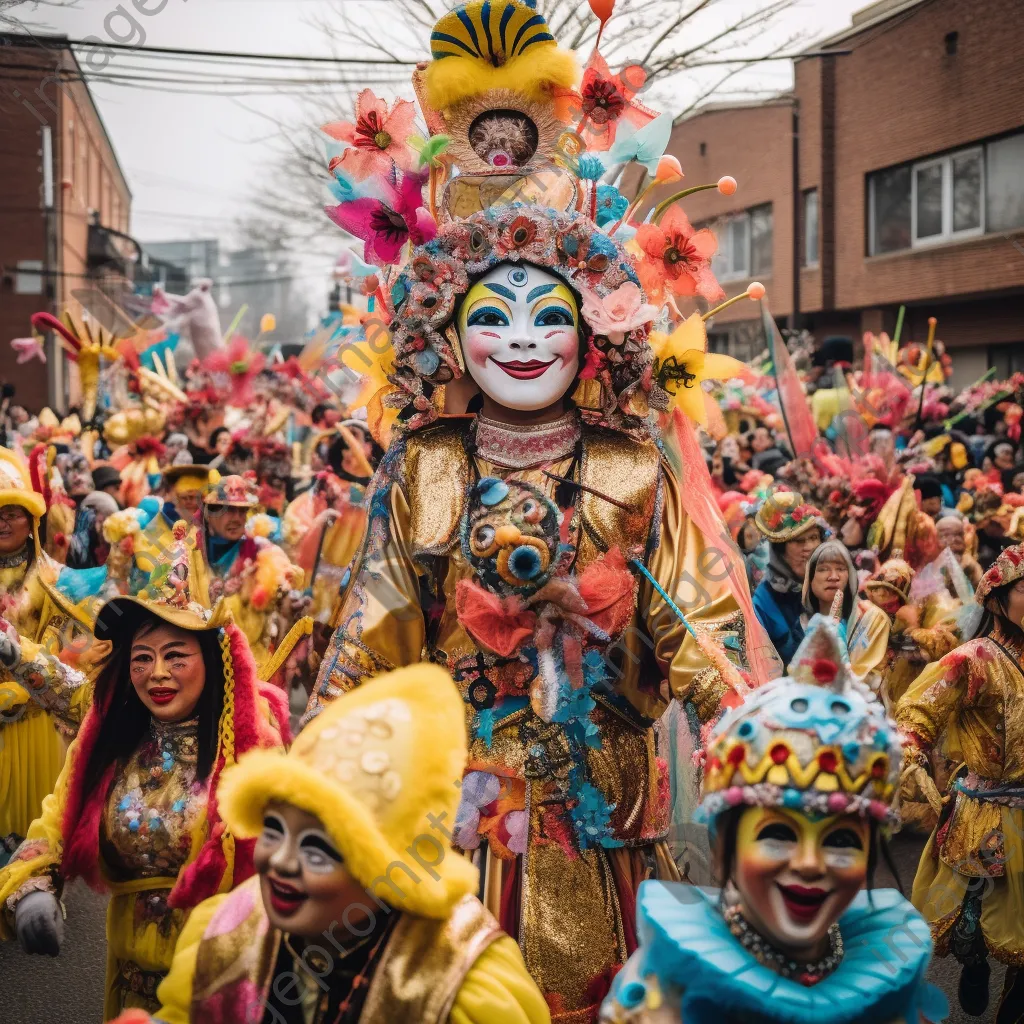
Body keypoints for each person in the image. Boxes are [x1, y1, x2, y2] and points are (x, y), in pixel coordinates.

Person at [304, 0, 760, 1013]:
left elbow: (702, 630)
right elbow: (369, 642)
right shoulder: (423, 470)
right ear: (450, 335)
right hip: (456, 813)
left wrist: (760, 732)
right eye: (491, 315)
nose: (520, 338)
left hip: (603, 820)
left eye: (549, 313)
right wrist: (319, 767)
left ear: (590, 333)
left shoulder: (632, 469)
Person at [110, 664, 550, 1024]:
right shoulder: (229, 929)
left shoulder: (461, 978)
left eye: (317, 850)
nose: (280, 861)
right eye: (275, 830)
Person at [600, 617, 947, 1024]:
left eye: (841, 842)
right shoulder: (664, 998)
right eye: (778, 834)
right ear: (727, 841)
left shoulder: (887, 981)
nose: (810, 863)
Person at [0, 541, 290, 1020]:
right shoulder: (112, 737)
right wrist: (31, 887)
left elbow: (284, 865)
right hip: (130, 984)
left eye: (176, 656)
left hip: (219, 987)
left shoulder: (252, 744)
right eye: (142, 657)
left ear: (213, 661)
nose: (157, 673)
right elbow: (58, 813)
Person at [897, 542, 1024, 1022]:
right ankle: (974, 967)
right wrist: (909, 745)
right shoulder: (971, 659)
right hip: (986, 814)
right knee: (973, 923)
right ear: (997, 598)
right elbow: (917, 711)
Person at [0, 448, 95, 858]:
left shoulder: (60, 581)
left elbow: (80, 651)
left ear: (32, 518)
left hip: (37, 721)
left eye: (12, 512)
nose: (2, 522)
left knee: (32, 834)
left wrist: (26, 685)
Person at [752, 491, 825, 669]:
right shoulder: (763, 602)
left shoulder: (831, 582)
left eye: (814, 538)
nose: (809, 548)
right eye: (799, 541)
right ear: (780, 551)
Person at [801, 539, 889, 681]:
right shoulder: (800, 622)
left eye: (841, 569)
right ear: (809, 578)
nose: (833, 577)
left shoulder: (872, 618)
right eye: (823, 569)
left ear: (850, 577)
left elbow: (871, 681)